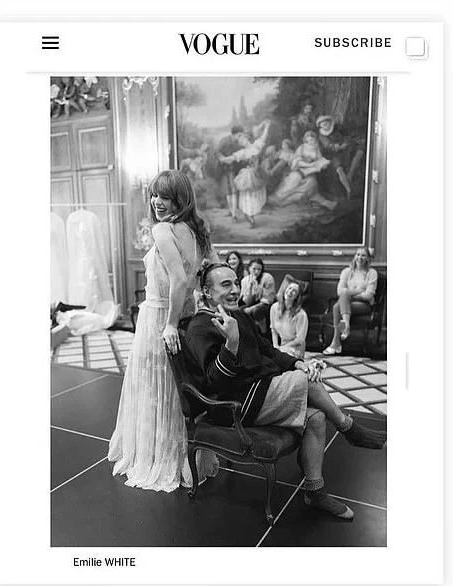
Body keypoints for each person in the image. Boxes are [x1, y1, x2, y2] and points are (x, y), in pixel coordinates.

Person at [185, 264, 386, 520]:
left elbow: (267, 350)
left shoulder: (239, 316)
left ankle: (314, 491)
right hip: (235, 405)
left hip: (261, 390)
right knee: (307, 381)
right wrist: (231, 343)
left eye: (236, 283)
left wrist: (296, 363)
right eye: (226, 285)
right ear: (206, 291)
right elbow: (215, 382)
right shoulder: (199, 327)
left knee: (316, 418)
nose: (235, 290)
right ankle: (350, 429)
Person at [108, 170, 219, 492]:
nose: (157, 201)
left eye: (166, 197)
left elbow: (179, 280)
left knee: (158, 388)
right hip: (188, 317)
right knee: (176, 388)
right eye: (155, 195)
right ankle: (181, 455)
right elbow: (213, 270)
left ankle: (159, 456)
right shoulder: (197, 231)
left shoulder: (162, 230)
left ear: (180, 200)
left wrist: (169, 324)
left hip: (161, 317)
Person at [323, 247, 378, 355]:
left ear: (368, 258)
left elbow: (369, 295)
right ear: (354, 256)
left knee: (338, 305)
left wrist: (349, 294)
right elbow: (339, 291)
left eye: (363, 255)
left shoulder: (372, 273)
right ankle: (345, 329)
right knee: (337, 305)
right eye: (358, 254)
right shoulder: (346, 271)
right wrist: (358, 291)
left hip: (364, 305)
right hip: (347, 303)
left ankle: (336, 342)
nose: (360, 257)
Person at [221, 120, 272, 228]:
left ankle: (251, 215)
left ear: (247, 139)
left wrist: (266, 127)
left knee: (255, 195)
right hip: (247, 176)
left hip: (257, 174)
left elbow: (263, 137)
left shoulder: (256, 145)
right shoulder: (242, 152)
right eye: (240, 141)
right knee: (247, 196)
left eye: (243, 139)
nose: (242, 141)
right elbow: (232, 158)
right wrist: (223, 159)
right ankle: (250, 217)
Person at [270, 275, 309, 359]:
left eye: (294, 291)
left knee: (280, 360)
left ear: (297, 297)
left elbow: (300, 340)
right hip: (281, 345)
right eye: (289, 288)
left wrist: (282, 348)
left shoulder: (301, 314)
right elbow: (274, 330)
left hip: (295, 348)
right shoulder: (274, 308)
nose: (290, 291)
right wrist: (275, 347)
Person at [216, 125, 245, 220]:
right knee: (228, 191)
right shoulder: (224, 140)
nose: (240, 137)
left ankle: (234, 213)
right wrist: (223, 159)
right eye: (239, 135)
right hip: (225, 168)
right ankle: (232, 211)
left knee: (234, 190)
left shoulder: (239, 142)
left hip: (235, 168)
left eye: (241, 135)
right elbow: (217, 152)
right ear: (234, 134)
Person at [240, 258, 276, 327]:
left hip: (265, 304)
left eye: (259, 269)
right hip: (252, 302)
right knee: (239, 310)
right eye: (254, 269)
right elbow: (247, 302)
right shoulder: (245, 280)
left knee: (257, 311)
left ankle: (263, 332)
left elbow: (268, 300)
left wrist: (251, 308)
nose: (256, 272)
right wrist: (250, 288)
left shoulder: (267, 278)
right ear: (249, 268)